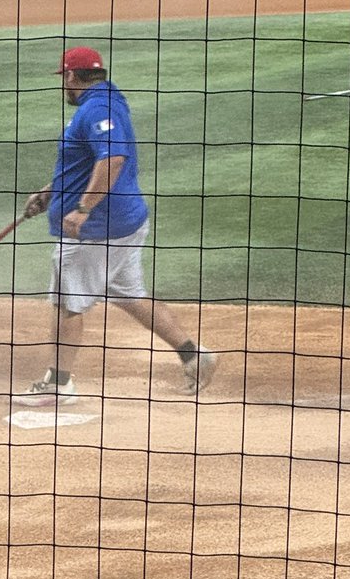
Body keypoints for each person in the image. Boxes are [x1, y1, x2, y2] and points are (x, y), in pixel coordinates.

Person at [12, 46, 217, 407]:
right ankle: (193, 355)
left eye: (64, 79)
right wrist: (50, 191)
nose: (64, 87)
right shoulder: (108, 99)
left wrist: (81, 209)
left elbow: (113, 158)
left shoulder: (96, 108)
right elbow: (85, 161)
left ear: (72, 77)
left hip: (98, 229)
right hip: (123, 222)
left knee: (67, 303)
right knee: (130, 294)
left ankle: (58, 382)